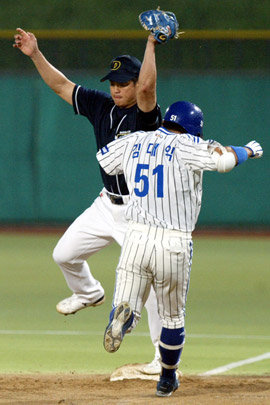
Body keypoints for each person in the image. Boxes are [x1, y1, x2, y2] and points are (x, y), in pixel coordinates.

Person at [13, 28, 164, 373]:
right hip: (105, 204)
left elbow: (147, 88)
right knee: (64, 254)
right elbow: (61, 85)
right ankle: (89, 293)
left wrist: (152, 43)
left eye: (123, 82)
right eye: (113, 81)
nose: (116, 87)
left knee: (151, 285)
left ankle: (160, 358)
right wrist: (36, 54)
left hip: (139, 213)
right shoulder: (101, 105)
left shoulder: (145, 113)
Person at [96, 100, 263, 397]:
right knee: (172, 316)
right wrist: (248, 150)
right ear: (193, 128)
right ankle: (166, 378)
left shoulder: (137, 138)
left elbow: (105, 159)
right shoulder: (189, 145)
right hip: (172, 241)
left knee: (128, 299)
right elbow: (224, 161)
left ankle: (123, 317)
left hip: (135, 235)